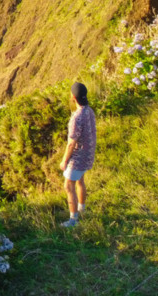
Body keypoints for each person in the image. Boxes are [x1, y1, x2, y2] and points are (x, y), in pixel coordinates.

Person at [58, 81, 96, 228]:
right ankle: (81, 208)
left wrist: (64, 161)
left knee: (68, 185)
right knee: (80, 180)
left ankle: (73, 220)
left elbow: (71, 143)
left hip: (78, 156)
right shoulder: (89, 110)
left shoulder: (76, 117)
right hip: (88, 154)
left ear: (73, 97)